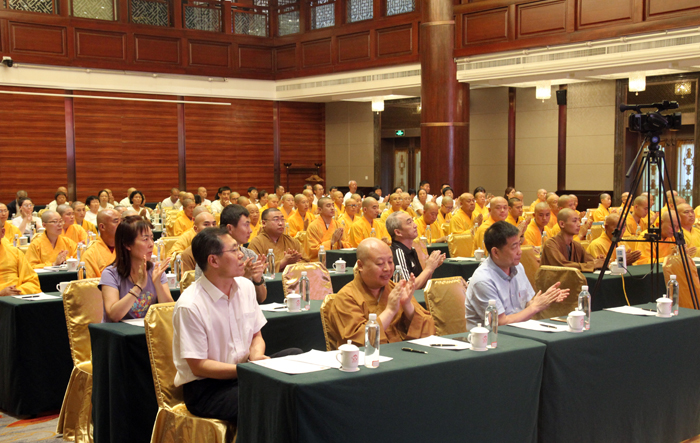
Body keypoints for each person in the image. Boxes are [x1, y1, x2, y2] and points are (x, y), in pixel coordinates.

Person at [172, 227, 302, 424]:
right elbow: (198, 366)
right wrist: (248, 369)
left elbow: (256, 335)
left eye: (239, 249)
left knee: (295, 356)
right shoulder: (190, 305)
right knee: (269, 398)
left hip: (244, 373)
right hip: (207, 389)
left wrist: (256, 356)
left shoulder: (246, 286)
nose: (242, 255)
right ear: (213, 261)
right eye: (234, 250)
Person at [327, 237, 436, 349]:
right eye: (380, 263)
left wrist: (407, 305)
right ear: (360, 266)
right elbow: (356, 342)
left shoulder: (395, 289)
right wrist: (390, 311)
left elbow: (428, 329)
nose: (387, 268)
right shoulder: (346, 297)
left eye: (390, 262)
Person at [465, 221, 568, 330]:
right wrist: (535, 307)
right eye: (514, 247)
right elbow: (500, 322)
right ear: (495, 252)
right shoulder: (483, 280)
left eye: (519, 244)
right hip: (491, 337)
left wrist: (545, 300)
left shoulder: (518, 267)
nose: (520, 252)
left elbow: (526, 306)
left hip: (519, 330)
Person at [99, 216, 173, 322]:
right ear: (127, 245)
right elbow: (113, 315)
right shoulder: (110, 274)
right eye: (145, 239)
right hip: (119, 332)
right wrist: (138, 286)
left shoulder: (155, 270)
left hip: (146, 331)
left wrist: (157, 284)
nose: (151, 244)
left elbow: (169, 311)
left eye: (151, 238)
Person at [220, 205, 268, 303]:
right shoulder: (214, 258)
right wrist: (244, 277)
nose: (250, 230)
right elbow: (215, 297)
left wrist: (257, 280)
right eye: (246, 225)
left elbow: (261, 299)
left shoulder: (250, 254)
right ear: (230, 228)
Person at [387, 212, 445, 289]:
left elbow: (422, 284)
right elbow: (407, 288)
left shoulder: (412, 249)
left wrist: (432, 267)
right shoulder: (398, 252)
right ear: (398, 232)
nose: (415, 225)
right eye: (409, 223)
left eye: (413, 221)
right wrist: (428, 268)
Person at [248, 208, 303, 273]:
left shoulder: (291, 241)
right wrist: (282, 263)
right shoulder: (256, 243)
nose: (281, 223)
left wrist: (294, 264)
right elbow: (254, 269)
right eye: (276, 219)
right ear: (264, 223)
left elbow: (306, 262)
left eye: (282, 219)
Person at [0, 222, 41, 296]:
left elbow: (32, 282)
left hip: (16, 296)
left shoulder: (15, 253)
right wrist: (1, 293)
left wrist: (17, 291)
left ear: (2, 232)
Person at [83, 209, 120, 278]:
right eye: (116, 221)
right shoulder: (91, 254)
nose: (121, 224)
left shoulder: (128, 248)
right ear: (102, 227)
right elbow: (88, 283)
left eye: (122, 221)